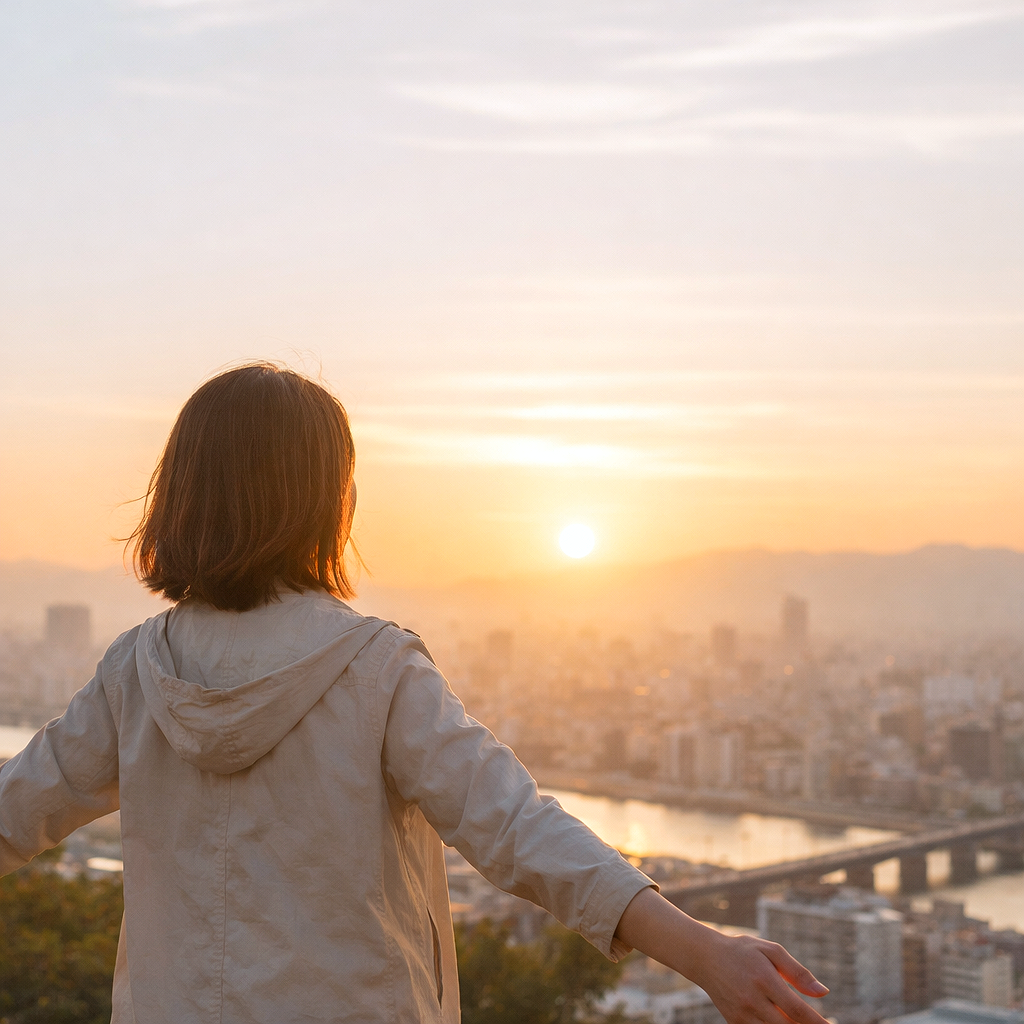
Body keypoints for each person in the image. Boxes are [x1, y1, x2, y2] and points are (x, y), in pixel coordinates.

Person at [0, 364, 830, 1024]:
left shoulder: (135, 670)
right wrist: (700, 950)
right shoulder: (373, 666)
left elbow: (14, 809)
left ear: (181, 491)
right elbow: (515, 826)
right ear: (325, 501)